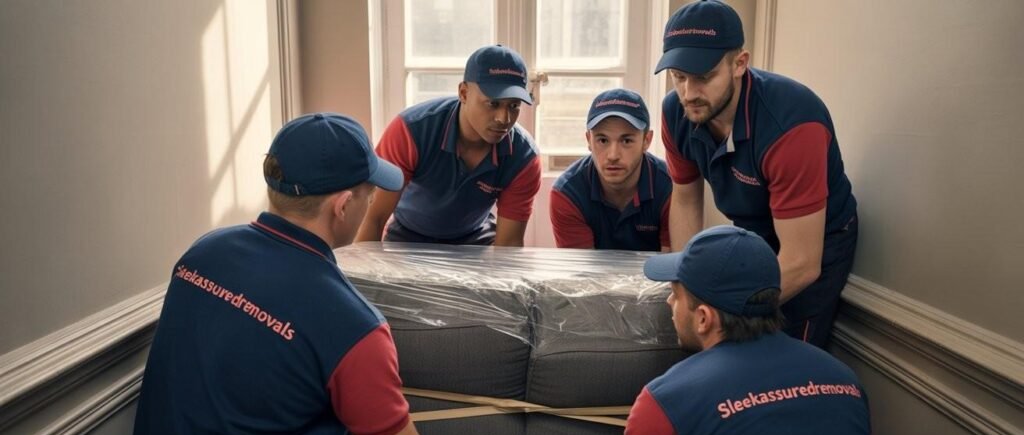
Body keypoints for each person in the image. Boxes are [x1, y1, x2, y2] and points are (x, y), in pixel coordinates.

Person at [126, 113, 520, 435]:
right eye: (370, 191)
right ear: (343, 205)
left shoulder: (203, 255)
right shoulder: (352, 326)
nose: (373, 201)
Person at [506, 225, 906, 435]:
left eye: (675, 294)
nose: (668, 303)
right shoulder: (842, 379)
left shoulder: (672, 399)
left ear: (703, 318)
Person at [657, 0, 858, 348]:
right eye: (679, 77)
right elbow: (686, 200)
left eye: (703, 77)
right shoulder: (676, 112)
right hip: (754, 234)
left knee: (785, 355)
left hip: (814, 241)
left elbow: (802, 262)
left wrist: (721, 313)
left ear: (739, 64)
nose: (689, 93)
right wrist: (689, 287)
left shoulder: (793, 124)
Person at [355, 44, 542, 247]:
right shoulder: (410, 131)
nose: (504, 119)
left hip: (475, 236)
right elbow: (372, 219)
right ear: (463, 93)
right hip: (407, 233)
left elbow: (509, 244)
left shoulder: (524, 157)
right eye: (493, 104)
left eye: (514, 106)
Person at [549, 88, 672, 251]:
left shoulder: (670, 187)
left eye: (626, 141)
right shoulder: (568, 193)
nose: (613, 155)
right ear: (589, 140)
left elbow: (672, 263)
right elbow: (581, 267)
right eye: (603, 140)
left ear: (646, 141)